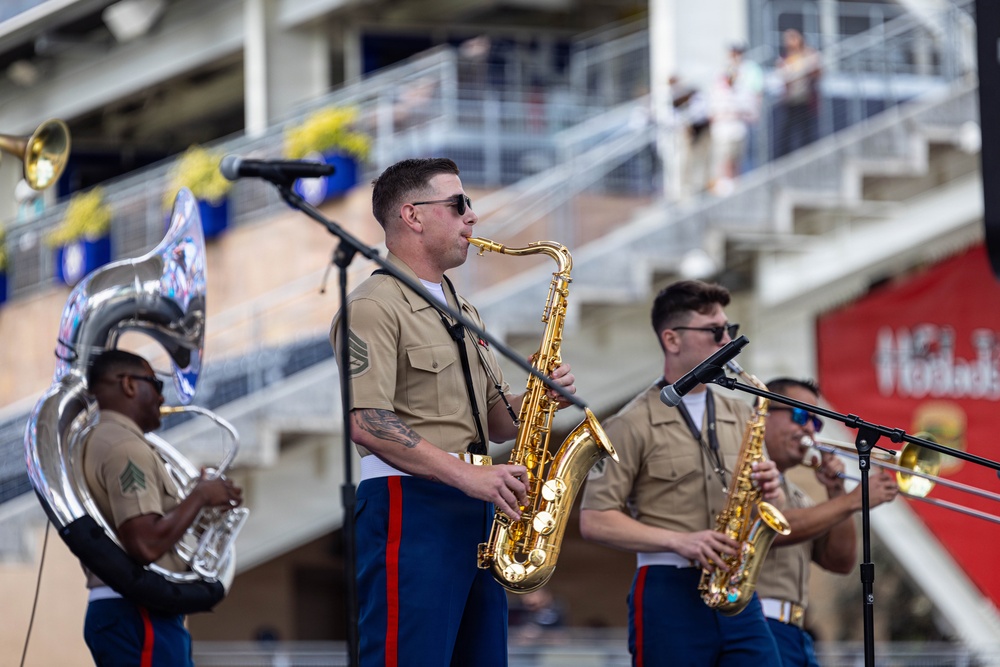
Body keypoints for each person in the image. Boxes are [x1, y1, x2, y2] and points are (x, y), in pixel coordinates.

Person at [330, 157, 577, 666]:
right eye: (459, 204)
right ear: (413, 216)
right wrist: (468, 478)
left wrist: (538, 397)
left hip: (475, 504)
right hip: (411, 503)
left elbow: (496, 422)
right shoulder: (374, 305)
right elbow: (367, 423)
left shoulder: (463, 309)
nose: (472, 217)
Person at [579, 279, 784, 666]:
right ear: (672, 340)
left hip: (737, 589)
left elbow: (772, 508)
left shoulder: (743, 412)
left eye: (729, 329)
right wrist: (682, 542)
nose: (727, 340)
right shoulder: (630, 422)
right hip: (668, 589)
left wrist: (771, 490)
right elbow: (594, 521)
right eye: (714, 331)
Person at [81, 349, 244, 667]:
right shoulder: (124, 447)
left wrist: (202, 506)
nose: (161, 396)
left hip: (134, 611)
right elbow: (145, 543)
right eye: (155, 384)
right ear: (128, 384)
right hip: (137, 612)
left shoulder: (112, 440)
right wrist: (199, 497)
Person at [757, 377, 898, 667]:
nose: (809, 428)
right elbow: (773, 526)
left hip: (795, 632)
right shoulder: (747, 474)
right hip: (758, 624)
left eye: (815, 422)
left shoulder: (796, 495)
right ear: (763, 413)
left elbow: (840, 561)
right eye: (800, 415)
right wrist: (851, 500)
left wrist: (836, 491)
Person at [775, 29, 822, 158]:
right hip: (790, 100)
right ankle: (783, 158)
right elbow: (782, 77)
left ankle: (808, 156)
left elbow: (817, 73)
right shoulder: (785, 58)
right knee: (786, 131)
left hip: (806, 99)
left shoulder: (809, 54)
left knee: (806, 130)